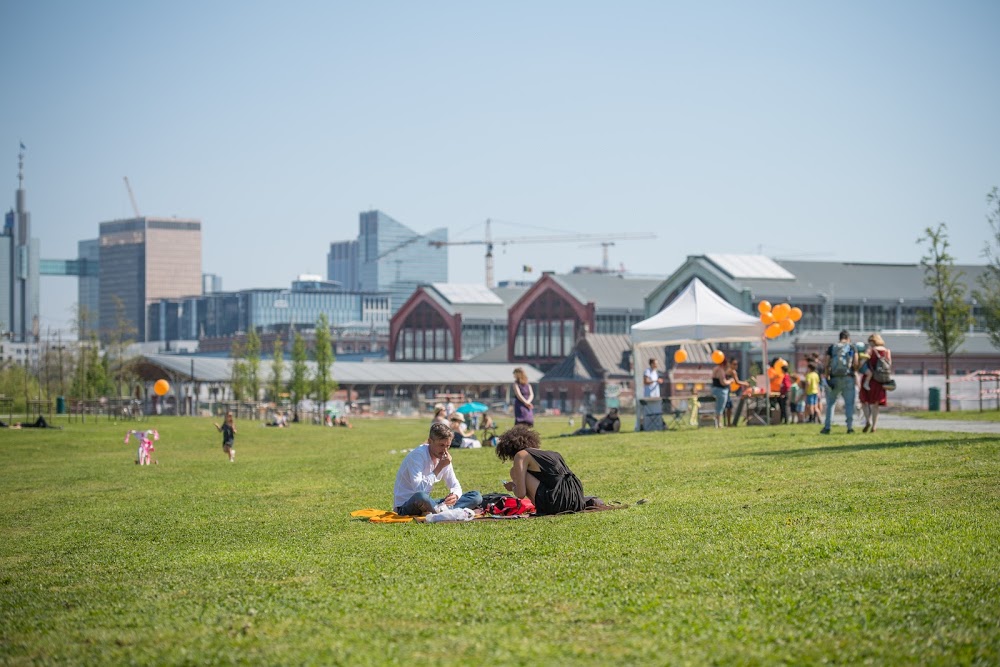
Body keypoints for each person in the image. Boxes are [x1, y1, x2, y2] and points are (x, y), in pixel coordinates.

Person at [393, 422, 483, 516]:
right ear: (430, 441)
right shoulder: (417, 456)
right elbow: (419, 490)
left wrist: (455, 495)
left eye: (448, 446)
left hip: (428, 503)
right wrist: (439, 467)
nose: (445, 450)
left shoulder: (444, 457)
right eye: (441, 445)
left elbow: (454, 484)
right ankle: (444, 511)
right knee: (421, 496)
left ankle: (439, 510)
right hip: (406, 505)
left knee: (476, 496)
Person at [496, 424, 586, 515]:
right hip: (577, 500)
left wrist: (512, 486)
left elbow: (521, 494)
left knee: (514, 471)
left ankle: (542, 508)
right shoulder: (550, 453)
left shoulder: (521, 455)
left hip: (557, 504)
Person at [822, 330, 859, 434]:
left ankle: (827, 427)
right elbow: (856, 362)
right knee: (849, 404)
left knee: (831, 403)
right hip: (848, 378)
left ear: (840, 337)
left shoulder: (832, 347)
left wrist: (827, 377)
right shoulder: (852, 347)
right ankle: (849, 427)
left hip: (834, 378)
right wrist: (854, 372)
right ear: (848, 338)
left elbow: (826, 364)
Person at [860, 333, 892, 433]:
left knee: (864, 401)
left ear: (873, 341)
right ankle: (874, 426)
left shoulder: (871, 350)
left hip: (869, 379)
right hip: (880, 380)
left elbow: (862, 362)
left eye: (870, 341)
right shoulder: (887, 351)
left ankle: (867, 421)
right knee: (876, 405)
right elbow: (889, 364)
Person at [710, 355, 729, 429]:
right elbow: (723, 382)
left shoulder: (715, 369)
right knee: (720, 408)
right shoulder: (720, 370)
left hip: (714, 389)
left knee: (717, 408)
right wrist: (730, 381)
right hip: (721, 391)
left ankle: (717, 423)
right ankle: (719, 424)